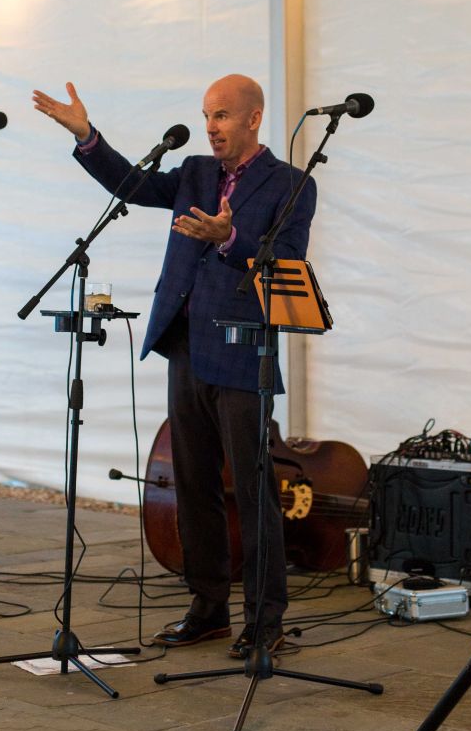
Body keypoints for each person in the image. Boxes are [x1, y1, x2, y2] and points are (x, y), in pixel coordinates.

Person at [32, 74, 316, 655]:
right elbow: (131, 186)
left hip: (242, 349)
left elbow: (288, 258)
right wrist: (87, 135)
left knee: (255, 486)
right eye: (207, 115)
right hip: (184, 343)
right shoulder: (194, 172)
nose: (211, 127)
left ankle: (265, 621)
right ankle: (208, 608)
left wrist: (229, 236)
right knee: (193, 483)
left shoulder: (291, 184)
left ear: (254, 118)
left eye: (222, 116)